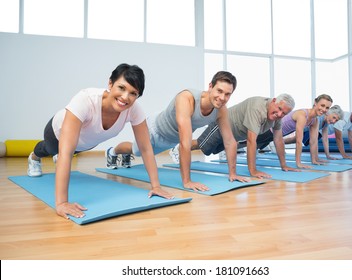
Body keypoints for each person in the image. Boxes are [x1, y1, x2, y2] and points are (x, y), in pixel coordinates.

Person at [27, 63, 174, 220]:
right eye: (121, 88)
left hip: (84, 143)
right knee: (50, 150)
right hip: (56, 133)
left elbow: (145, 148)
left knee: (70, 151)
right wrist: (62, 203)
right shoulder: (86, 100)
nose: (125, 97)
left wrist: (156, 187)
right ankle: (34, 157)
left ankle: (55, 156)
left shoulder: (134, 109)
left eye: (133, 93)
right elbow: (66, 152)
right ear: (110, 84)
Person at [109, 71, 249, 192]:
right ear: (210, 86)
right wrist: (187, 181)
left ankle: (124, 155)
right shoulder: (187, 98)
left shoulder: (221, 111)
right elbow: (185, 143)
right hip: (155, 129)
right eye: (219, 91)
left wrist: (233, 173)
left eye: (227, 94)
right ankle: (112, 152)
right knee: (136, 151)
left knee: (141, 152)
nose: (222, 98)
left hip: (171, 139)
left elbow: (229, 141)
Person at [170, 94, 300, 178]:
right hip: (221, 124)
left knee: (210, 150)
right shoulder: (257, 108)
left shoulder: (278, 117)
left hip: (233, 136)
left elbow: (278, 139)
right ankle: (177, 147)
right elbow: (251, 141)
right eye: (279, 109)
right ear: (273, 101)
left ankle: (182, 146)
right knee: (202, 144)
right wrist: (252, 171)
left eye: (284, 113)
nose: (279, 114)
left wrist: (284, 165)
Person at [256, 94, 334, 168]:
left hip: (278, 134)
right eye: (322, 105)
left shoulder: (315, 120)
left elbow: (313, 141)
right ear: (315, 103)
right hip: (269, 130)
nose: (324, 109)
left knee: (258, 145)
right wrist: (298, 163)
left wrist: (314, 160)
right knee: (246, 143)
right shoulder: (302, 115)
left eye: (327, 108)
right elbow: (298, 141)